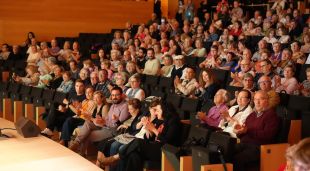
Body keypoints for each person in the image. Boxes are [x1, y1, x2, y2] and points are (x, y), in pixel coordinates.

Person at [112, 99, 181, 171]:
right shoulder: (161, 120)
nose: (156, 113)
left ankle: (116, 157)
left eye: (157, 110)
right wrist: (148, 128)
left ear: (164, 110)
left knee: (138, 142)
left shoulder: (174, 121)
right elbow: (149, 138)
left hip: (165, 151)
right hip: (155, 147)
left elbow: (167, 141)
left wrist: (154, 129)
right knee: (134, 155)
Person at [69, 86, 129, 153]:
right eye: (112, 95)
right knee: (88, 123)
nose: (114, 97)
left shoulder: (125, 106)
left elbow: (118, 123)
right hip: (105, 126)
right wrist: (101, 120)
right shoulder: (113, 105)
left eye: (117, 95)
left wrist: (104, 122)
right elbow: (107, 118)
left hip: (113, 130)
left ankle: (80, 152)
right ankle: (77, 144)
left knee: (86, 135)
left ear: (121, 95)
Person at [233, 90, 281, 171]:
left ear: (267, 100)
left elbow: (268, 135)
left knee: (237, 159)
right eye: (255, 99)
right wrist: (239, 132)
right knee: (226, 152)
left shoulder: (271, 115)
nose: (257, 102)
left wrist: (247, 131)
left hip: (259, 147)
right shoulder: (252, 115)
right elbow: (243, 132)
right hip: (244, 144)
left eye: (261, 99)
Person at [96, 98, 143, 169]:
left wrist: (126, 127)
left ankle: (110, 166)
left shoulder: (140, 117)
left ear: (137, 109)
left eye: (130, 109)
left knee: (113, 145)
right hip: (121, 134)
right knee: (103, 142)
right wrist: (117, 121)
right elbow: (122, 124)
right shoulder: (131, 116)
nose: (128, 111)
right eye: (128, 109)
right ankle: (100, 165)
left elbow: (134, 129)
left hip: (128, 136)